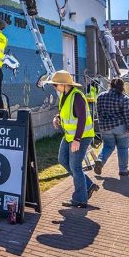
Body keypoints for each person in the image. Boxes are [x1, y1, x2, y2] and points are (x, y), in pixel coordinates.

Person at [46, 70, 97, 208]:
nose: (54, 87)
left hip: (81, 137)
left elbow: (81, 120)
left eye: (55, 85)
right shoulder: (64, 95)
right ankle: (88, 185)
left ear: (63, 84)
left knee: (75, 166)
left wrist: (77, 140)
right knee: (63, 160)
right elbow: (66, 112)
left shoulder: (77, 96)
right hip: (69, 136)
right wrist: (57, 117)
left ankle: (80, 199)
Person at [93, 77, 129, 177]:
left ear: (110, 85)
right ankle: (123, 170)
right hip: (120, 127)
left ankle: (100, 161)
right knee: (123, 148)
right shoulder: (124, 98)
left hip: (105, 127)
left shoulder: (100, 96)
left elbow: (98, 112)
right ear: (122, 86)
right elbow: (127, 115)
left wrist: (101, 125)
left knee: (107, 146)